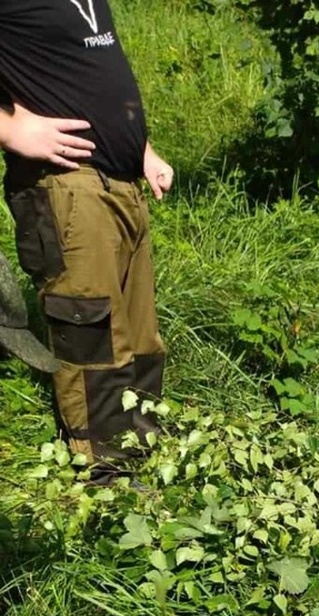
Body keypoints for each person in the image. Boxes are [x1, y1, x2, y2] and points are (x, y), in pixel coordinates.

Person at [0, 0, 172, 480]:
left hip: (122, 184)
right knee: (91, 333)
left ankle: (145, 451)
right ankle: (108, 481)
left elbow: (87, 70)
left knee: (139, 335)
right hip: (67, 185)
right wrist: (11, 128)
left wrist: (142, 149)